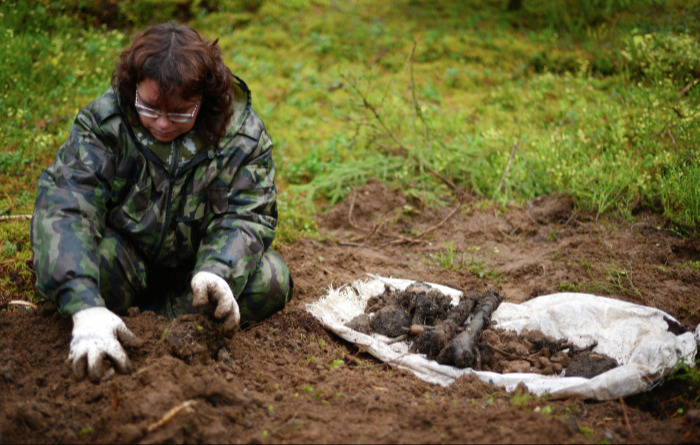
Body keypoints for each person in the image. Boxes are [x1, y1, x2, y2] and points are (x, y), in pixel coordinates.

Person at [30, 23, 293, 382]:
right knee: (85, 266)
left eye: (181, 112)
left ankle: (171, 327)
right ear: (133, 86)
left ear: (205, 100)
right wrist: (84, 305)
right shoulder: (106, 124)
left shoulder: (242, 136)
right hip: (125, 260)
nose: (163, 125)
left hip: (196, 277)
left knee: (271, 279)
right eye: (150, 108)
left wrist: (218, 270)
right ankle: (104, 319)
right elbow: (65, 204)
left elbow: (247, 214)